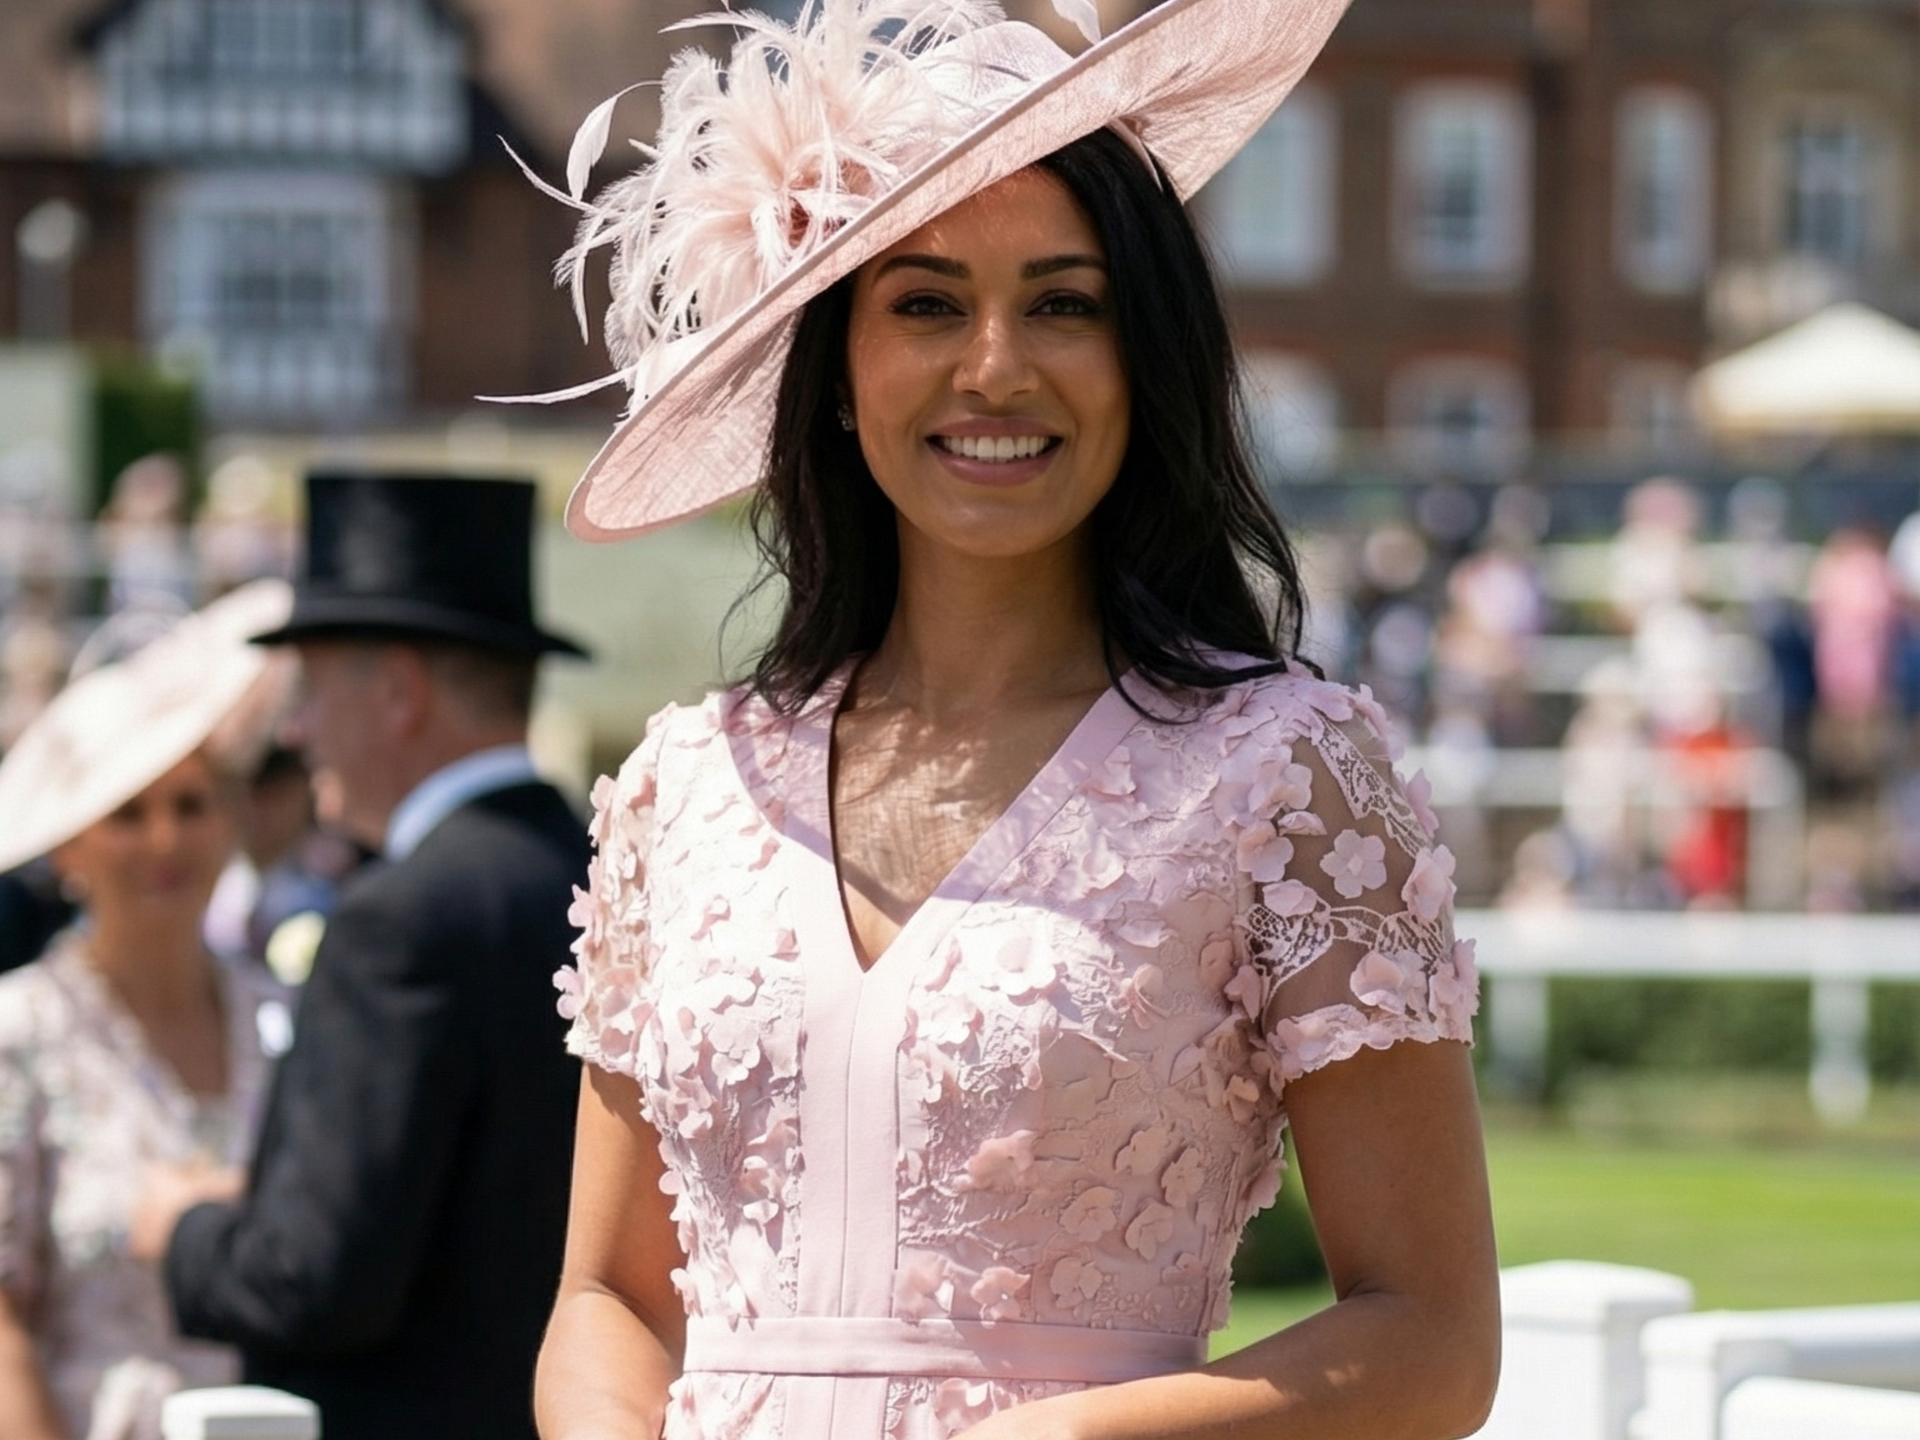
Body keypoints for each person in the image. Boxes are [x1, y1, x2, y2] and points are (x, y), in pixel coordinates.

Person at [532, 1, 1500, 1438]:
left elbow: (1431, 1341)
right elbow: (606, 1298)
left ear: (1147, 358)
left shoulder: (1285, 779)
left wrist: (1061, 1438)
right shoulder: (686, 786)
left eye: (1067, 302)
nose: (995, 367)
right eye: (925, 302)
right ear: (841, 373)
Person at [160, 473, 593, 1440]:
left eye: (309, 689)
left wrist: (184, 1230)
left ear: (398, 690)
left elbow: (315, 1281)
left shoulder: (400, 920)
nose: (299, 731)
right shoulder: (601, 872)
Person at [0, 580, 293, 1440]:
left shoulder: (284, 1017)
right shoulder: (19, 1031)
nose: (164, 841)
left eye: (190, 806)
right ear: (71, 846)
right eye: (129, 814)